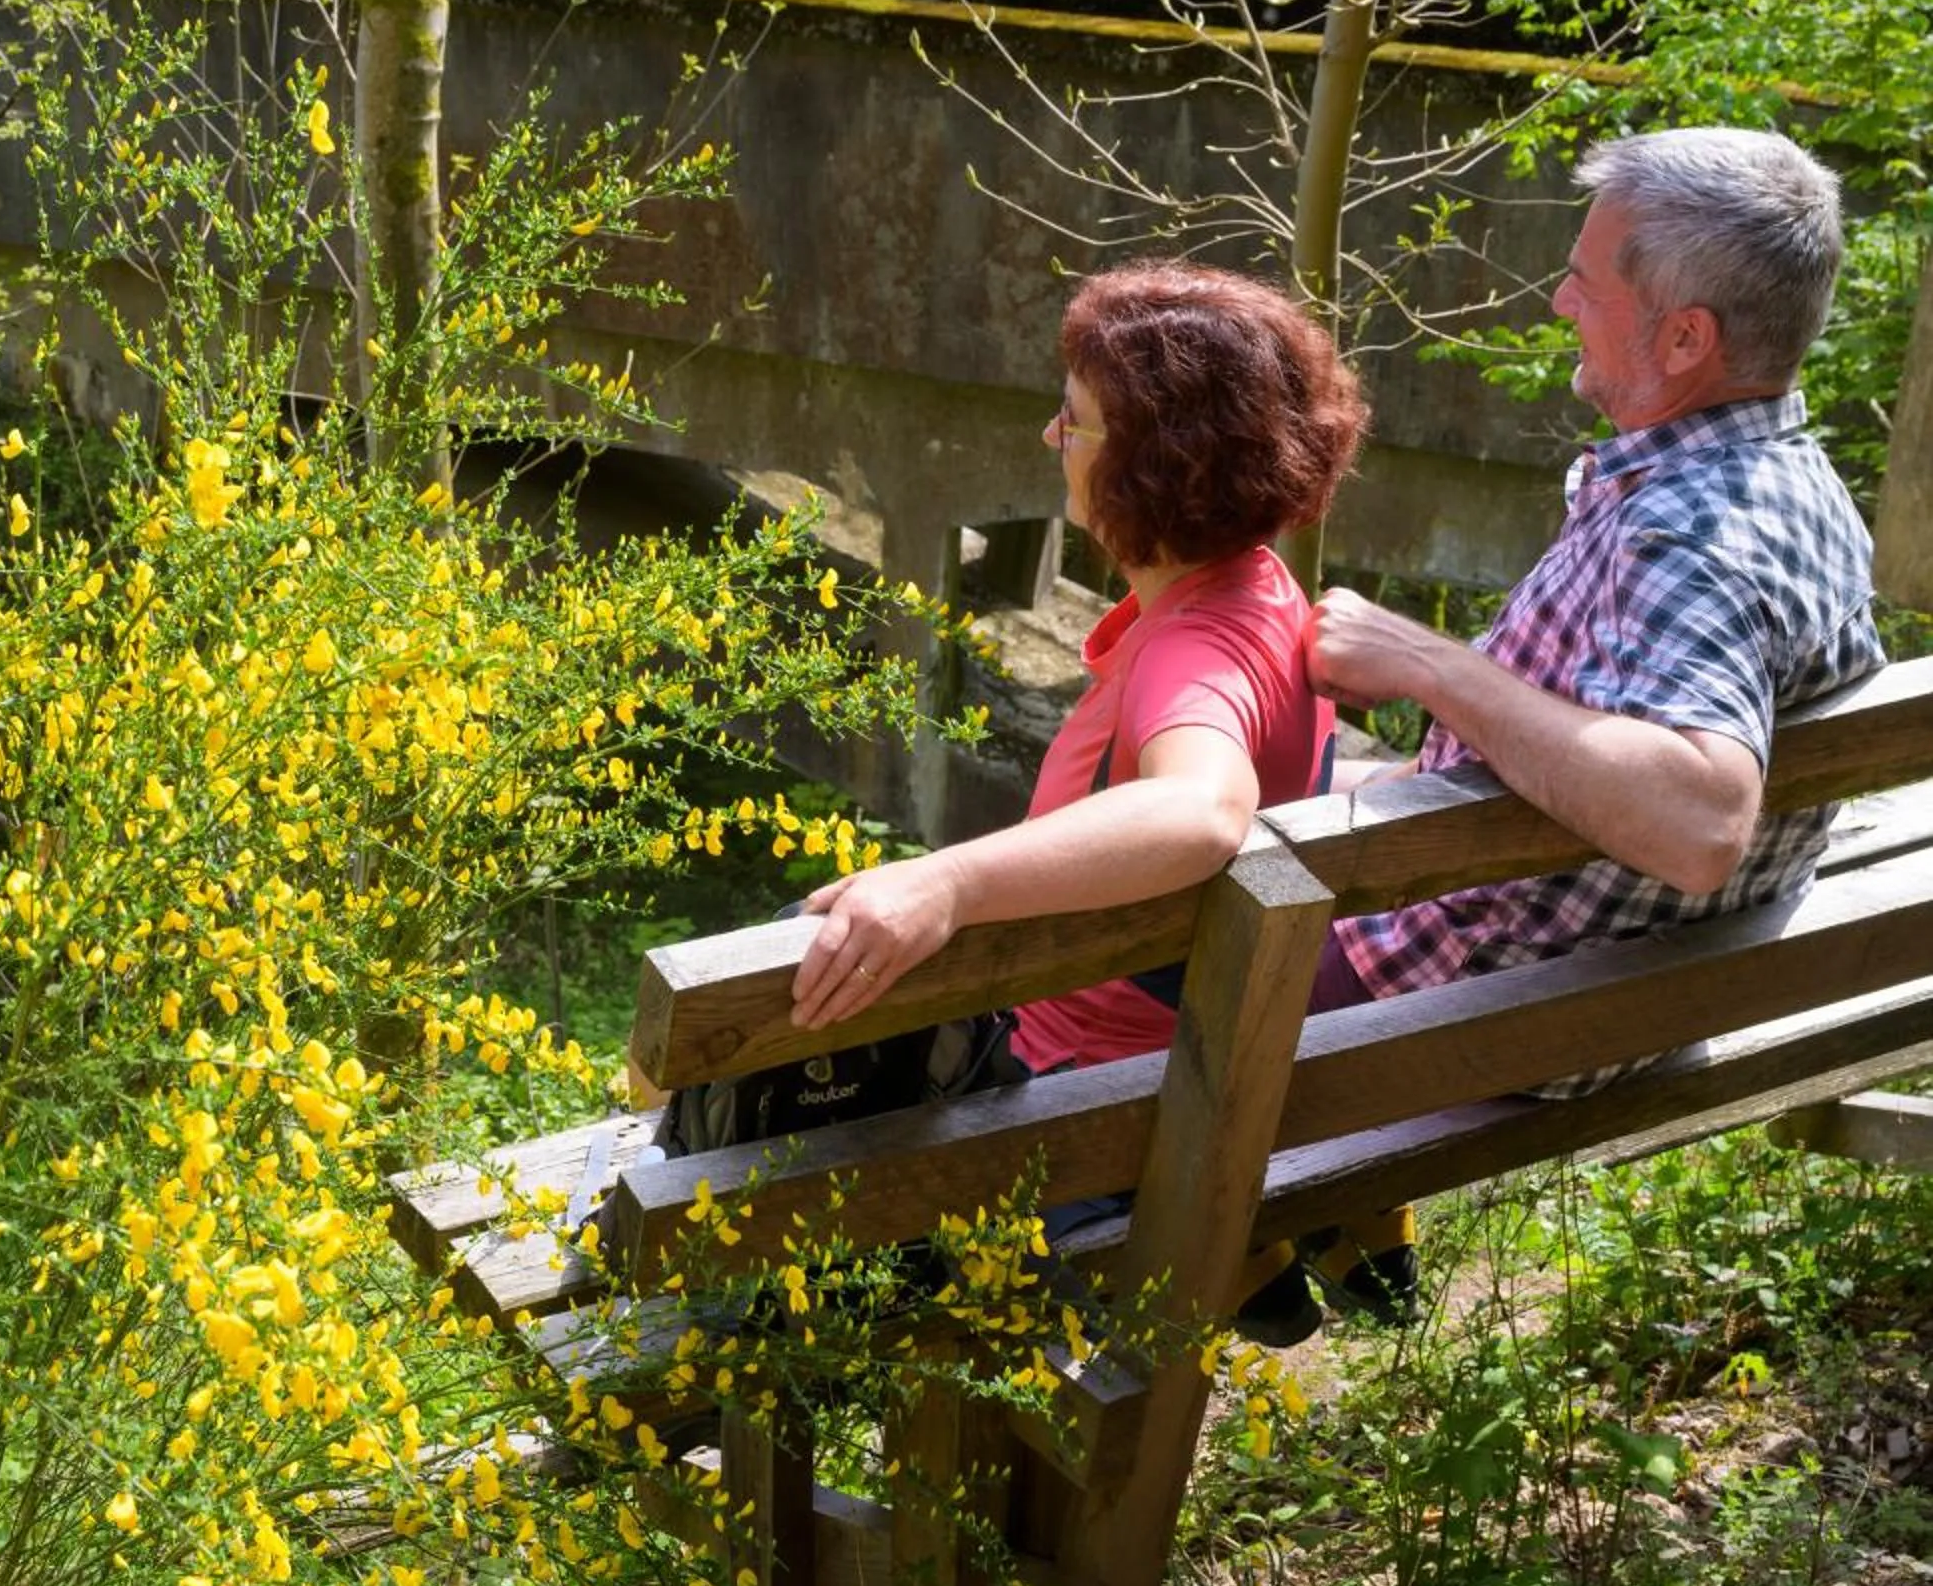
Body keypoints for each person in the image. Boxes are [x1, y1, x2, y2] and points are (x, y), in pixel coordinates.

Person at [1308, 126, 1884, 1023]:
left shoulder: (1688, 534)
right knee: (1254, 789)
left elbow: (1702, 826)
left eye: (1585, 282)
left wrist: (1429, 664)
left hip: (1467, 995)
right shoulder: (1799, 479)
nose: (1557, 302)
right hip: (1631, 970)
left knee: (1119, 935)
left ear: (1688, 338)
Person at [787, 260, 1366, 1074]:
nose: (1051, 437)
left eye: (1075, 420)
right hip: (1170, 1072)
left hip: (1068, 1097)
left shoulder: (1191, 651)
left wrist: (949, 882)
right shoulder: (1267, 591)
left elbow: (1201, 809)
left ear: (1156, 466)